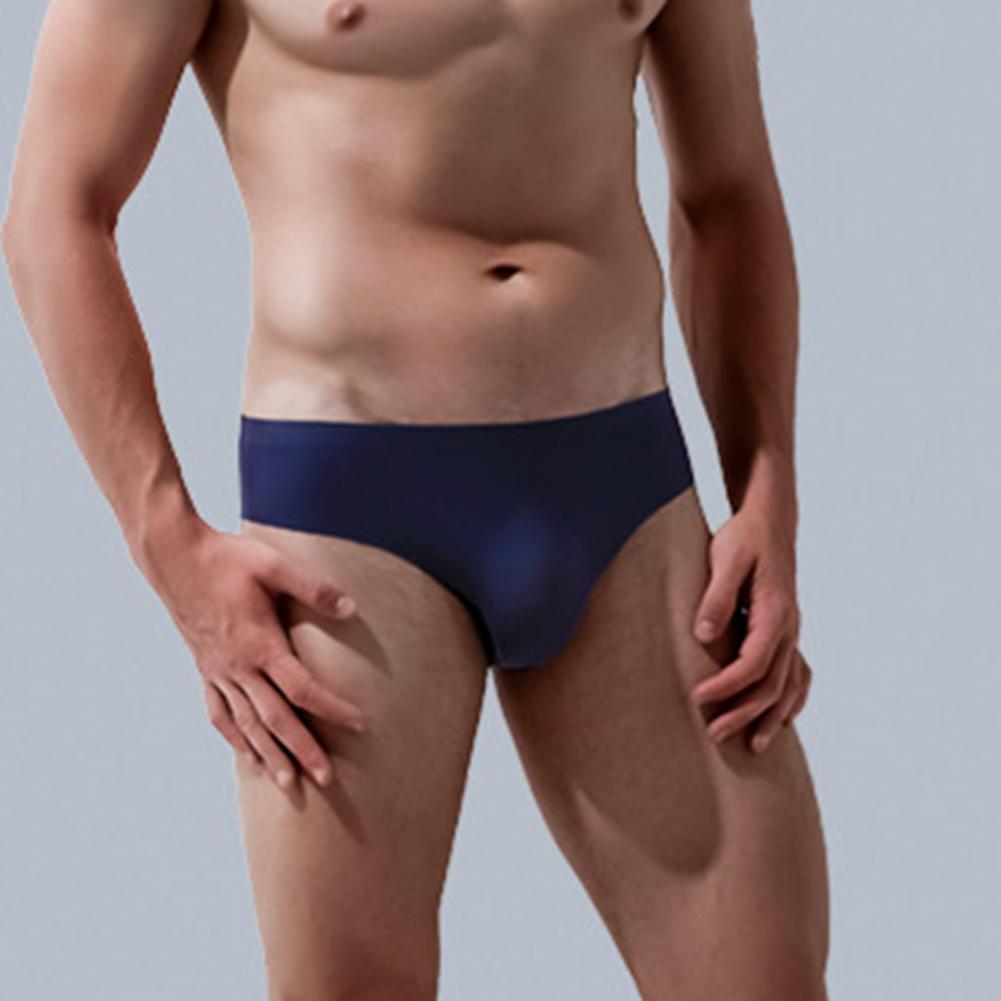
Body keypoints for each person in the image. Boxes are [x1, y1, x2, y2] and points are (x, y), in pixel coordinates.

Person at [2, 0, 829, 998]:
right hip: (351, 515)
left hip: (628, 491)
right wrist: (166, 539)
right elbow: (55, 206)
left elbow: (726, 192)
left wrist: (766, 486)